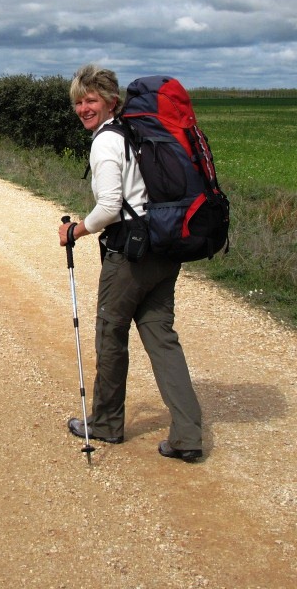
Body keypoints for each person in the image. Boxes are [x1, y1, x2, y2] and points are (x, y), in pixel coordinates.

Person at [58, 64, 203, 462]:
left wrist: (75, 231)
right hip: (164, 249)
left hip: (130, 256)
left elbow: (109, 207)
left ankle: (106, 424)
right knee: (161, 339)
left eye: (90, 100)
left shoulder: (107, 142)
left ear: (110, 102)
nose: (83, 109)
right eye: (78, 102)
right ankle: (187, 435)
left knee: (110, 334)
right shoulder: (136, 133)